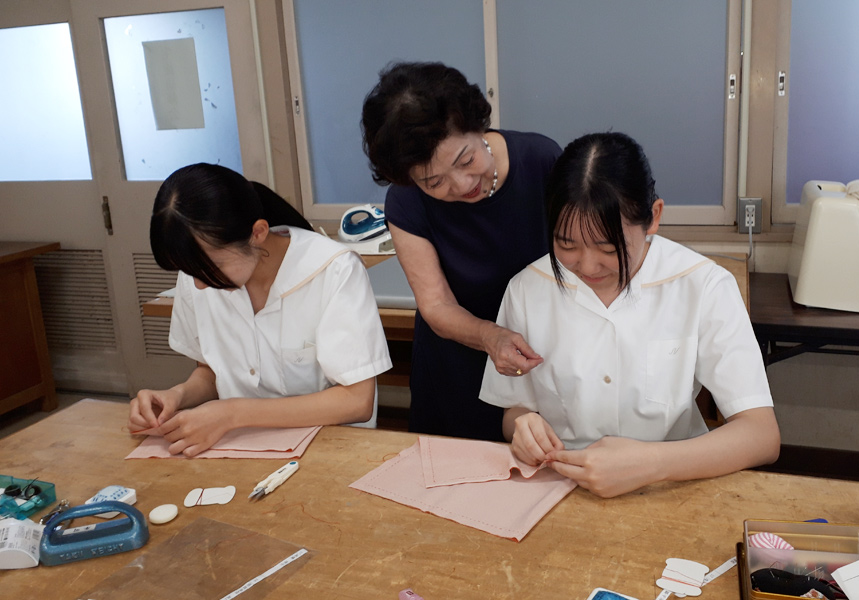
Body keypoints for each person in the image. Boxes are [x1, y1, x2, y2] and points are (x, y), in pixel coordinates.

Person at [479, 132, 780, 497]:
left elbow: (761, 435)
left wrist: (651, 464)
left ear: (653, 217)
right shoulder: (527, 289)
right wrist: (523, 428)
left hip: (673, 488)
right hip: (562, 488)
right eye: (566, 244)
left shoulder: (703, 285)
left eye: (608, 247)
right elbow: (514, 411)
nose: (587, 265)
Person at [128, 163, 392, 457]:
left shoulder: (334, 270)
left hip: (329, 450)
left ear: (258, 233)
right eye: (190, 272)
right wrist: (177, 395)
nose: (199, 285)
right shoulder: (198, 274)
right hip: (237, 448)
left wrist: (232, 414)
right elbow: (211, 371)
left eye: (212, 267)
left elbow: (356, 401)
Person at [361, 62, 562, 441]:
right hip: (456, 366)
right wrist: (491, 337)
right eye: (433, 181)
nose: (461, 184)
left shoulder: (542, 160)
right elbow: (436, 305)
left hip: (539, 354)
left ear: (478, 125)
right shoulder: (407, 201)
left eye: (466, 160)